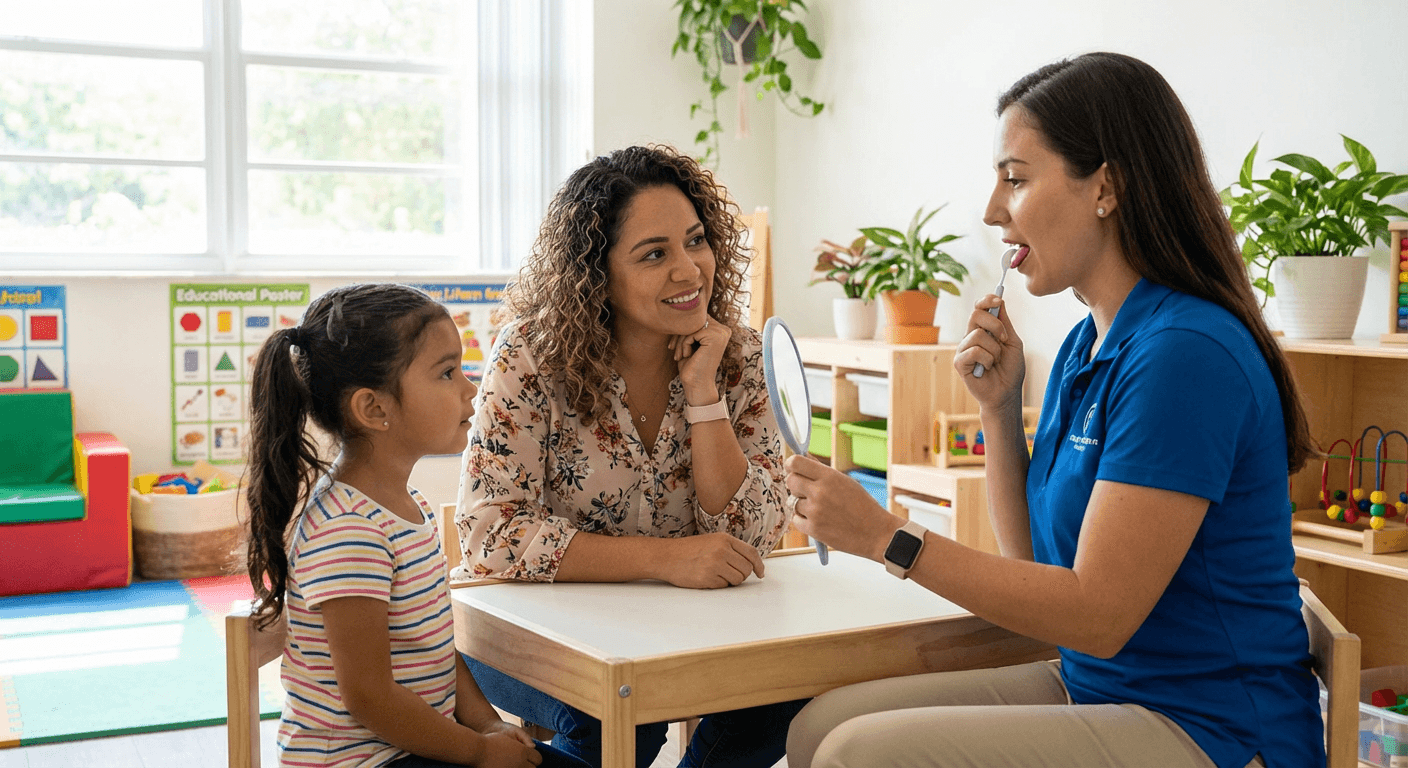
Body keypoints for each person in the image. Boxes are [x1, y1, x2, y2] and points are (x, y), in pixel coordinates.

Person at [782, 52, 1324, 768]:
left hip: (1211, 727)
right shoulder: (1084, 344)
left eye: (1015, 178)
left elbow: (1096, 614)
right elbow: (1036, 567)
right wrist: (1001, 411)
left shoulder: (1183, 354)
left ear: (1107, 186)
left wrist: (889, 536)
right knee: (819, 727)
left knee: (859, 754)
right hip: (1099, 688)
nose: (991, 209)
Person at [454, 144, 807, 768]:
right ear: (597, 275)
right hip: (528, 631)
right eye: (654, 254)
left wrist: (704, 398)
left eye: (696, 241)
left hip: (680, 636)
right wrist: (666, 560)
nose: (689, 270)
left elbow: (756, 534)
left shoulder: (740, 355)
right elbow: (491, 537)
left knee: (787, 687)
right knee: (619, 719)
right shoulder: (529, 356)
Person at [244, 283, 589, 768]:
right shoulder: (349, 530)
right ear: (374, 409)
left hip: (410, 747)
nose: (470, 388)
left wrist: (487, 724)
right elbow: (370, 697)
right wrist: (477, 751)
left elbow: (435, 649)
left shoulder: (409, 506)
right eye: (447, 373)